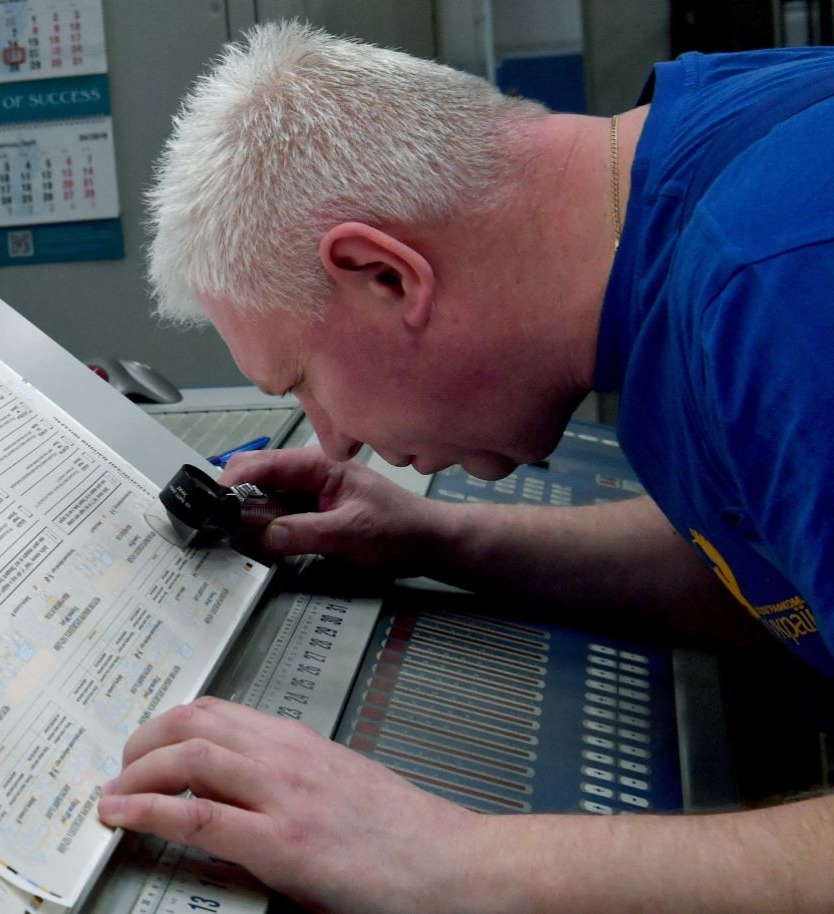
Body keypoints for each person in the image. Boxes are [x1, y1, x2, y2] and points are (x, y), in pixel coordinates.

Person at [97, 22, 834, 913]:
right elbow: (761, 547)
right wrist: (443, 539)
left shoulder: (779, 287)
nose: (332, 439)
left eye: (303, 382)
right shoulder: (710, 148)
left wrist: (448, 857)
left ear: (386, 275)